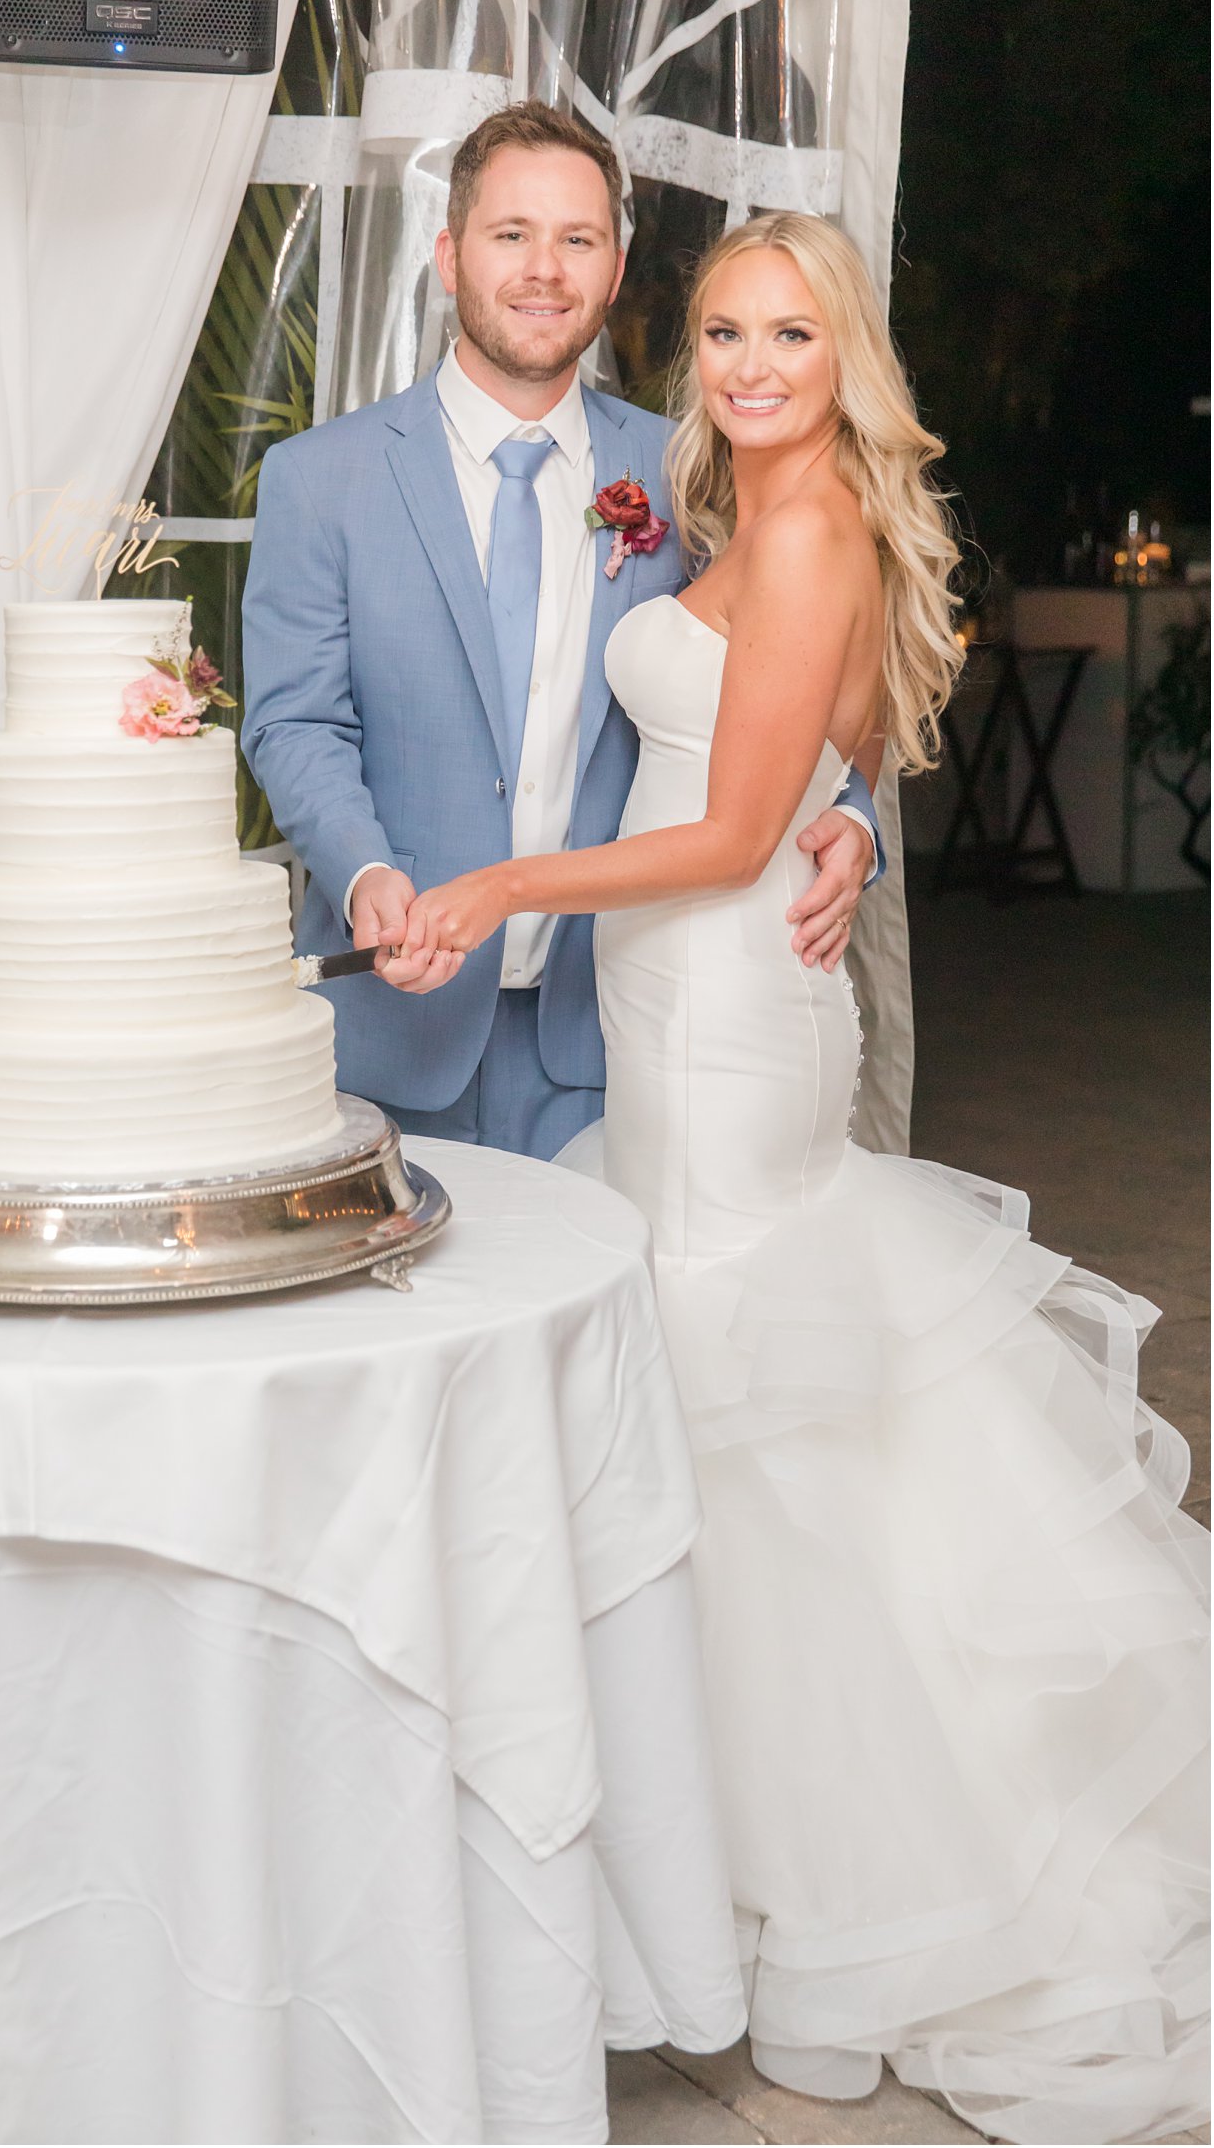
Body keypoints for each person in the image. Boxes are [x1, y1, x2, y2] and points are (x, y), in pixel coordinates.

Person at [408, 211, 1210, 2145]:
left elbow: (734, 822)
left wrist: (507, 886)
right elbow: (821, 769)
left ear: (843, 355)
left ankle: (834, 1916)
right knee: (735, 1423)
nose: (753, 365)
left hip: (724, 1011)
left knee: (750, 1420)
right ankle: (732, 1892)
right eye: (722, 334)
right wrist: (846, 819)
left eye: (788, 334)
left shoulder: (813, 525)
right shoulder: (752, 520)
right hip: (717, 1003)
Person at [241, 103, 883, 1160]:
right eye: (511, 235)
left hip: (620, 1035)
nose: (544, 269)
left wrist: (850, 820)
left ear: (615, 268)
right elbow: (294, 722)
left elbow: (833, 659)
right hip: (394, 1032)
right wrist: (364, 876)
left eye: (576, 239)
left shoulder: (698, 466)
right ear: (448, 256)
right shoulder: (321, 479)